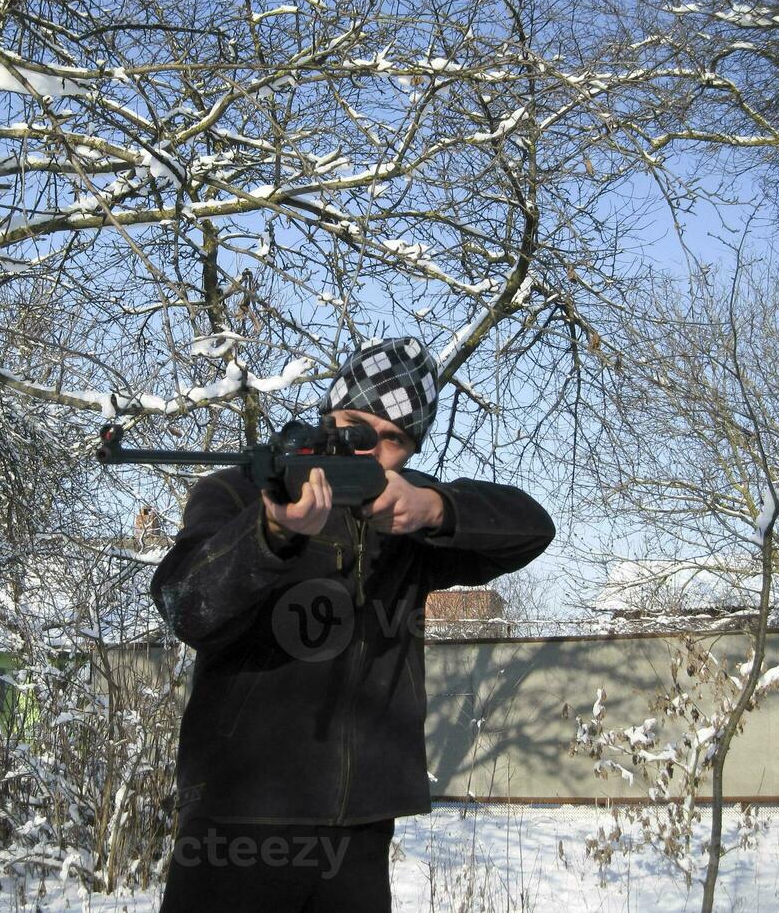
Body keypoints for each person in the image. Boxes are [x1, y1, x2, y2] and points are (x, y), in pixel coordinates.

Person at [150, 337, 555, 912]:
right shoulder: (238, 492)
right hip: (236, 815)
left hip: (360, 825)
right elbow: (184, 605)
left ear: (410, 450)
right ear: (326, 420)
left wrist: (437, 509)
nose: (369, 452)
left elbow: (532, 527)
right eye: (354, 428)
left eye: (392, 440)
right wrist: (270, 534)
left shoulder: (407, 519)